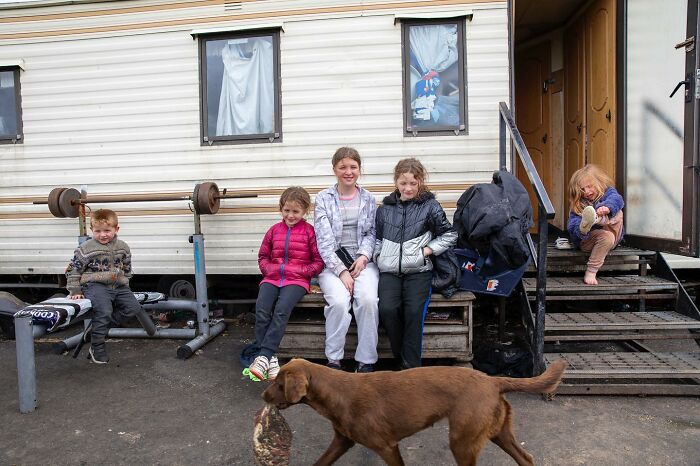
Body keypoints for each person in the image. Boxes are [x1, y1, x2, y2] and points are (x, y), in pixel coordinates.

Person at [374, 158, 457, 369]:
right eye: (403, 183)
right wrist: (379, 256)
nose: (408, 188)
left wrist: (426, 251)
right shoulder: (385, 209)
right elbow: (377, 239)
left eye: (413, 183)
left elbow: (450, 234)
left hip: (419, 271)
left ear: (420, 181)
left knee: (413, 312)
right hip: (389, 271)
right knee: (387, 309)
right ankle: (400, 358)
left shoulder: (430, 206)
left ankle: (410, 367)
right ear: (396, 182)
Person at [248, 187, 324, 381]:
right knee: (262, 309)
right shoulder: (274, 231)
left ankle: (262, 355)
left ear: (305, 211)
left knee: (281, 310)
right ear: (281, 209)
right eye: (286, 210)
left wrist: (302, 272)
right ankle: (270, 358)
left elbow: (318, 262)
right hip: (272, 278)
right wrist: (269, 270)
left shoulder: (309, 232)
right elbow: (263, 256)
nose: (290, 215)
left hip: (297, 281)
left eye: (295, 211)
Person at [314, 147, 380, 372]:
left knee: (369, 300)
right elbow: (324, 240)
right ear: (334, 169)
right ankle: (333, 359)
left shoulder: (369, 198)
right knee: (340, 303)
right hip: (332, 265)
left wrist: (363, 258)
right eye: (343, 167)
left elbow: (372, 233)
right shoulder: (323, 198)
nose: (348, 171)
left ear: (359, 169)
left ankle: (366, 361)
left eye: (353, 167)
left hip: (363, 263)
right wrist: (341, 271)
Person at [66, 209, 141, 364]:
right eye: (98, 231)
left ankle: (97, 330)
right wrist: (75, 290)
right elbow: (73, 270)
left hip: (118, 285)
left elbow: (127, 267)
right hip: (95, 285)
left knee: (133, 309)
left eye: (107, 230)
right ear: (91, 230)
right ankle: (97, 346)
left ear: (116, 229)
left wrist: (125, 280)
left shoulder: (123, 247)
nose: (103, 235)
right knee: (104, 311)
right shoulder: (86, 248)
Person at [567, 164, 625, 285]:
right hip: (588, 240)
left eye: (589, 186)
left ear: (599, 182)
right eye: (582, 189)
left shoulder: (608, 192)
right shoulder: (579, 203)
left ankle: (598, 218)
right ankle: (591, 271)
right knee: (602, 235)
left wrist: (606, 208)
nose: (587, 191)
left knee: (618, 212)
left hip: (610, 235)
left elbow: (617, 199)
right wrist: (580, 228)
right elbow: (571, 225)